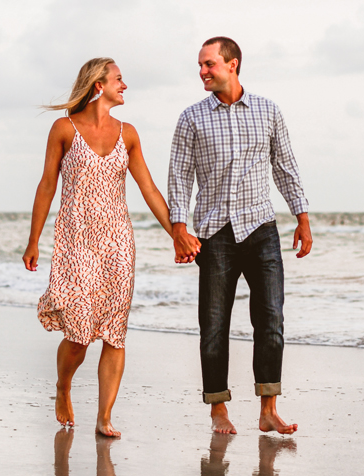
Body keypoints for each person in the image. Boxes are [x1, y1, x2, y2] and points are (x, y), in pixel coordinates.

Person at [24, 57, 200, 438]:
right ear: (98, 85)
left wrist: (177, 233)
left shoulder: (129, 133)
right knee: (78, 333)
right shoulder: (63, 129)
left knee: (115, 332)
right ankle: (63, 386)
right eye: (119, 79)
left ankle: (104, 418)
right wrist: (34, 239)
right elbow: (46, 186)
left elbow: (149, 189)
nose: (125, 85)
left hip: (118, 243)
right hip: (75, 241)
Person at [168, 37, 312, 435]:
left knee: (271, 319)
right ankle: (218, 411)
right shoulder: (191, 118)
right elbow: (179, 178)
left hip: (261, 229)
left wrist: (301, 217)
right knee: (213, 325)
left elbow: (285, 166)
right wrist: (179, 229)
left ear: (232, 64)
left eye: (209, 64)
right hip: (214, 234)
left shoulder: (267, 111)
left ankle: (268, 409)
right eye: (200, 65)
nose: (202, 71)